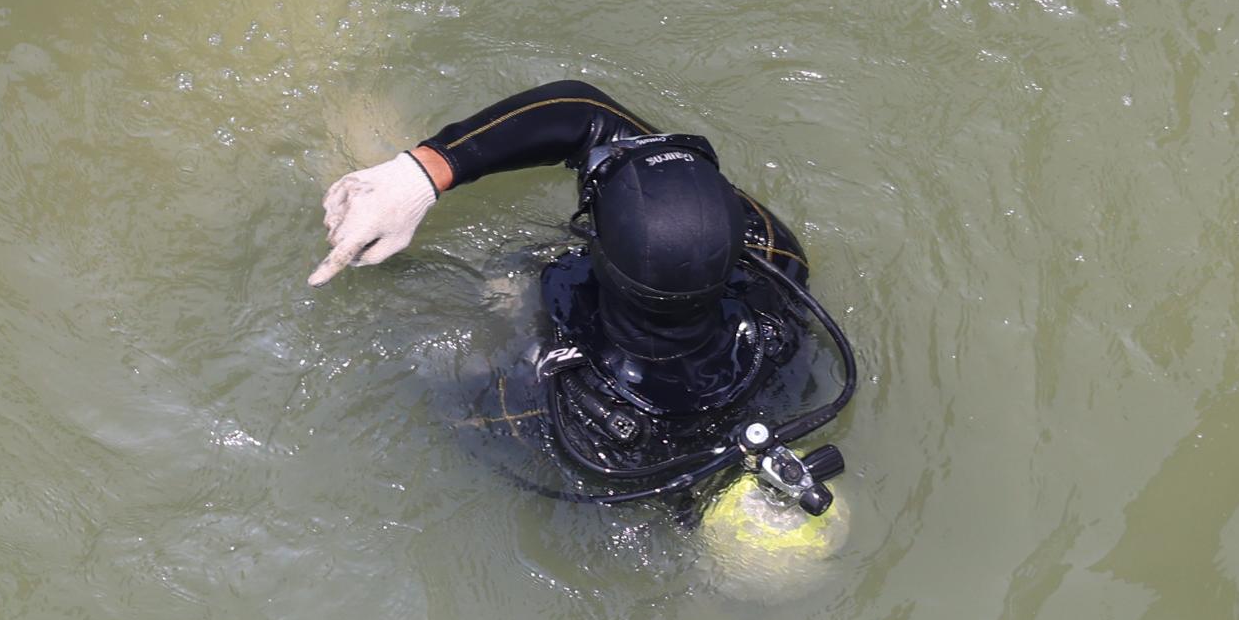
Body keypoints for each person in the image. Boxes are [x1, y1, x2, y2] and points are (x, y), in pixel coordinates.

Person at [311, 80, 853, 508]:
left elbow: (580, 110)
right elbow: (591, 116)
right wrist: (419, 176)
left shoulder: (534, 400)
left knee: (357, 180)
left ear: (596, 242)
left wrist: (416, 177)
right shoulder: (774, 258)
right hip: (725, 421)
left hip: (600, 445)